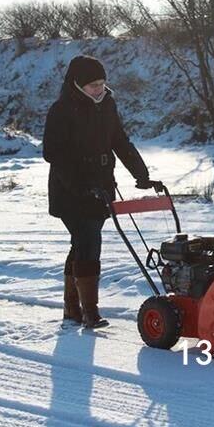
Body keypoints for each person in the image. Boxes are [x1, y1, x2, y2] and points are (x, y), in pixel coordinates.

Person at [43, 55, 157, 329]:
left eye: (103, 84)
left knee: (82, 243)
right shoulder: (62, 110)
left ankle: (73, 308)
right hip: (70, 190)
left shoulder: (107, 105)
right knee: (89, 241)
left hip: (102, 187)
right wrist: (82, 186)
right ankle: (89, 311)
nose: (100, 89)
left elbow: (120, 141)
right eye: (93, 85)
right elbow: (53, 154)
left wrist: (142, 175)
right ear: (77, 84)